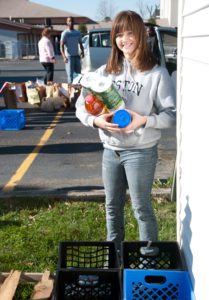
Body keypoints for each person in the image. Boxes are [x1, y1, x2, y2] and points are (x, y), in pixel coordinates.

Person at [76, 11, 176, 254]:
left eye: (130, 33)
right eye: (119, 34)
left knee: (141, 208)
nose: (125, 39)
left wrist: (143, 120)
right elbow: (81, 106)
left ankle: (148, 258)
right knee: (112, 206)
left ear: (141, 35)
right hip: (111, 151)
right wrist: (97, 122)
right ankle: (114, 256)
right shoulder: (103, 73)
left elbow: (170, 115)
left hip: (140, 152)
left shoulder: (156, 73)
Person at [60, 17, 84, 84]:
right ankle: (70, 90)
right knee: (70, 75)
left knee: (78, 74)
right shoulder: (65, 33)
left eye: (72, 21)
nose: (71, 22)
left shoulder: (77, 33)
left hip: (76, 56)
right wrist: (64, 57)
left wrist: (82, 52)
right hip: (69, 57)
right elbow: (61, 46)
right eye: (69, 21)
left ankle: (78, 89)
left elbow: (80, 43)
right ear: (67, 22)